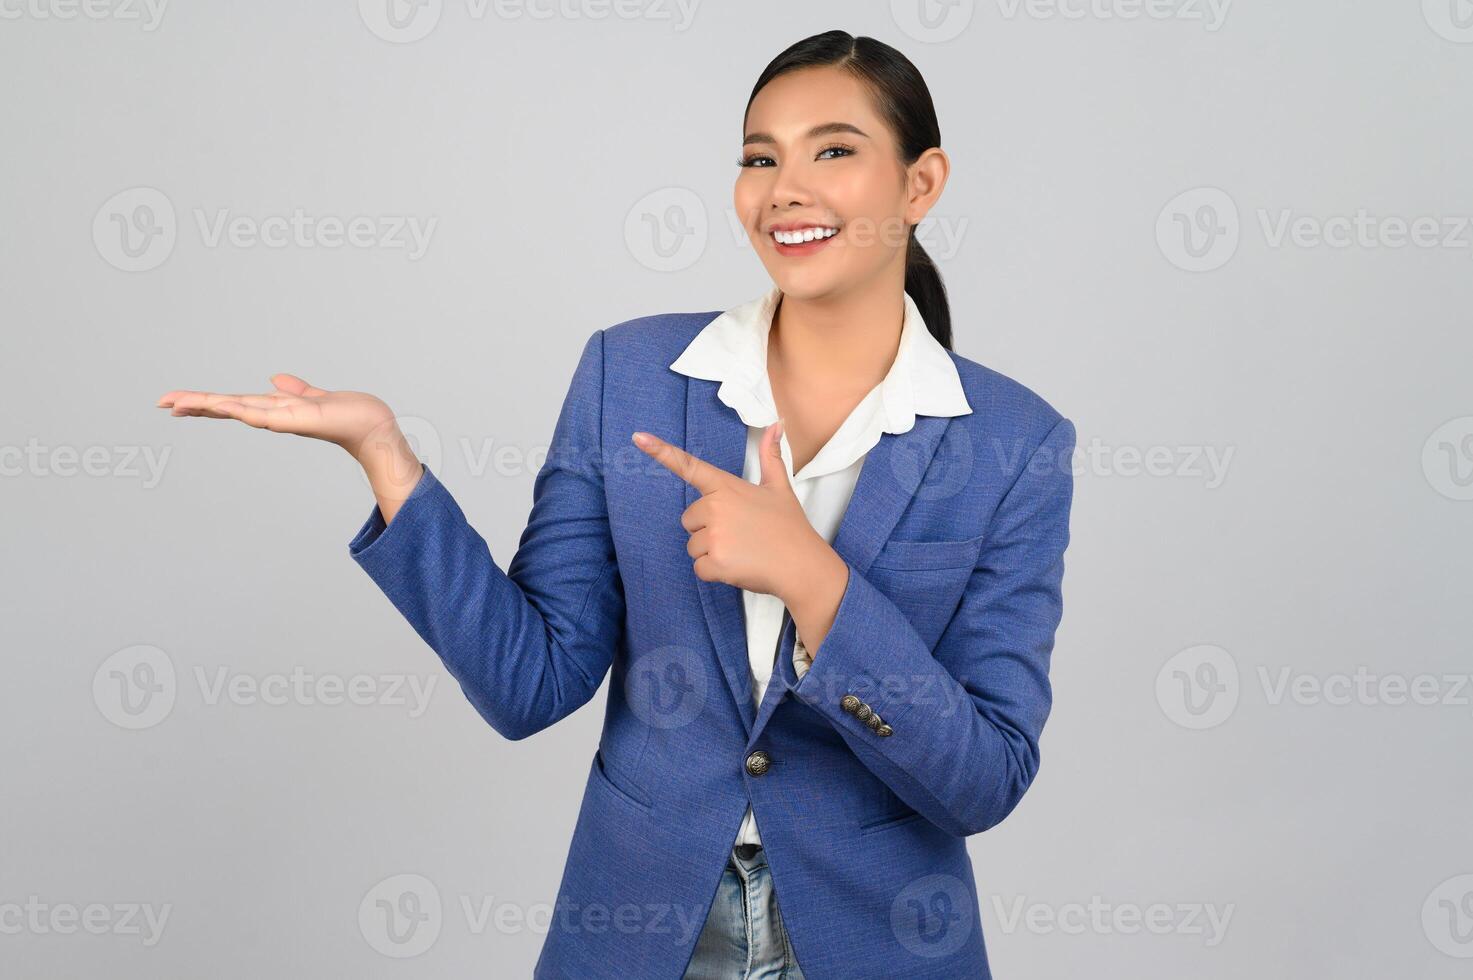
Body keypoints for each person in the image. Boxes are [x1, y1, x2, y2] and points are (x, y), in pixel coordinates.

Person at [157, 29, 1076, 980]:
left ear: (920, 184)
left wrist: (814, 579)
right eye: (759, 158)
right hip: (640, 924)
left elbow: (984, 777)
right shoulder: (628, 375)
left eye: (833, 151)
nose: (784, 188)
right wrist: (384, 456)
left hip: (881, 938)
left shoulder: (1015, 443)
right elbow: (530, 683)